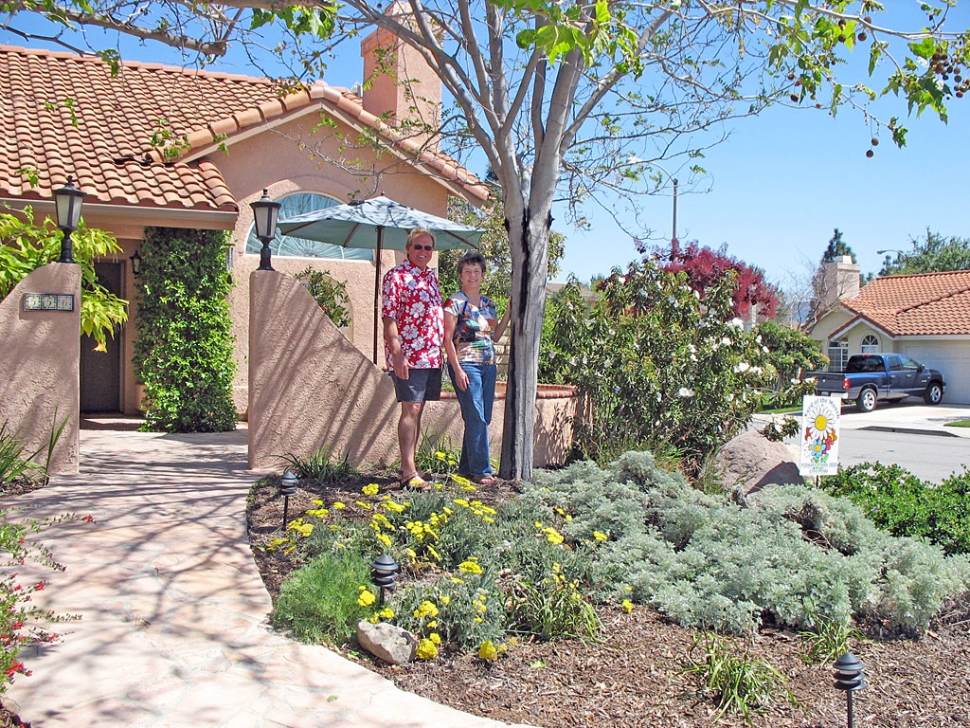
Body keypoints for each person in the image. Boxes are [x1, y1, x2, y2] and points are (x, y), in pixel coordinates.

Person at [381, 227, 443, 489]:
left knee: (418, 411)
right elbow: (388, 318)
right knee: (411, 409)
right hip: (409, 355)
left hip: (431, 355)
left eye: (428, 248)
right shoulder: (396, 276)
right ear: (408, 249)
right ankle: (408, 472)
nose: (423, 252)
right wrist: (397, 354)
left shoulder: (432, 279)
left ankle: (410, 468)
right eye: (418, 247)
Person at [443, 251, 511, 486]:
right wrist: (458, 370)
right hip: (465, 365)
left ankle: (466, 468)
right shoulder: (454, 303)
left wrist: (510, 310)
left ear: (482, 275)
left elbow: (496, 335)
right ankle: (482, 471)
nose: (472, 275)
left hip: (488, 367)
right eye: (467, 271)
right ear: (461, 276)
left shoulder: (489, 304)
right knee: (477, 416)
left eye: (476, 271)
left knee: (482, 417)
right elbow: (447, 340)